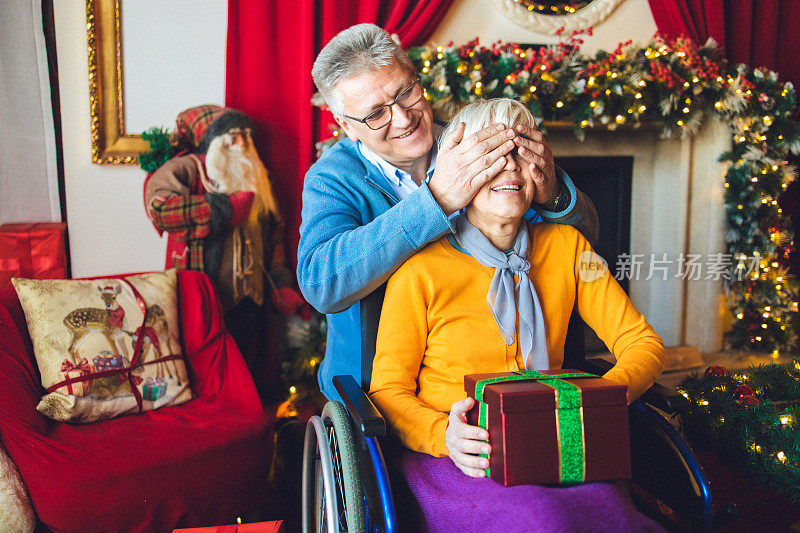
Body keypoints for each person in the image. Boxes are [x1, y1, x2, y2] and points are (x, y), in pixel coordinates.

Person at [368, 98, 665, 532]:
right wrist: (444, 436)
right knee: (540, 519)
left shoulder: (569, 247)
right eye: (488, 157)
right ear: (457, 171)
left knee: (610, 513)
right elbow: (388, 390)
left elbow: (643, 343)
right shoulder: (419, 270)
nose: (508, 168)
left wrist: (596, 399)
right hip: (458, 460)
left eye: (520, 153)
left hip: (559, 443)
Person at [298, 23, 599, 402]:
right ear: (346, 126)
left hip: (501, 373)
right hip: (381, 389)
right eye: (376, 114)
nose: (404, 118)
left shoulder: (477, 137)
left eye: (406, 92)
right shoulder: (332, 177)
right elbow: (320, 283)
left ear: (417, 78)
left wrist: (552, 194)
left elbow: (582, 248)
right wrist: (436, 200)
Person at [143, 105, 291, 399]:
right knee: (205, 375)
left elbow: (274, 233)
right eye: (233, 137)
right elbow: (159, 208)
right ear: (212, 141)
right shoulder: (187, 169)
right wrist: (221, 209)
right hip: (204, 297)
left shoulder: (258, 175)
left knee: (253, 375)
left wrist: (281, 283)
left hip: (253, 298)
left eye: (246, 136)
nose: (243, 144)